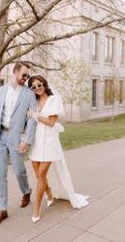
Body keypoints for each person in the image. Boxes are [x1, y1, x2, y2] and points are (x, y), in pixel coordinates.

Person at [27, 74, 89, 223]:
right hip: (36, 141)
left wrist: (34, 115)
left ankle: (37, 208)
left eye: (39, 85)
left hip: (49, 142)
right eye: (34, 87)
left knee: (41, 174)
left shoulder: (55, 100)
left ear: (44, 84)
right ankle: (49, 193)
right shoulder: (34, 101)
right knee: (38, 175)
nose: (37, 88)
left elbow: (50, 122)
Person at [0, 61, 37, 226]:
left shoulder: (29, 94)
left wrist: (27, 141)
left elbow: (32, 120)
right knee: (0, 174)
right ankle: (2, 209)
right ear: (15, 72)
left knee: (19, 170)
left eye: (27, 76)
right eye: (24, 75)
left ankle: (26, 191)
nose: (26, 78)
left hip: (16, 139)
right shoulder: (2, 90)